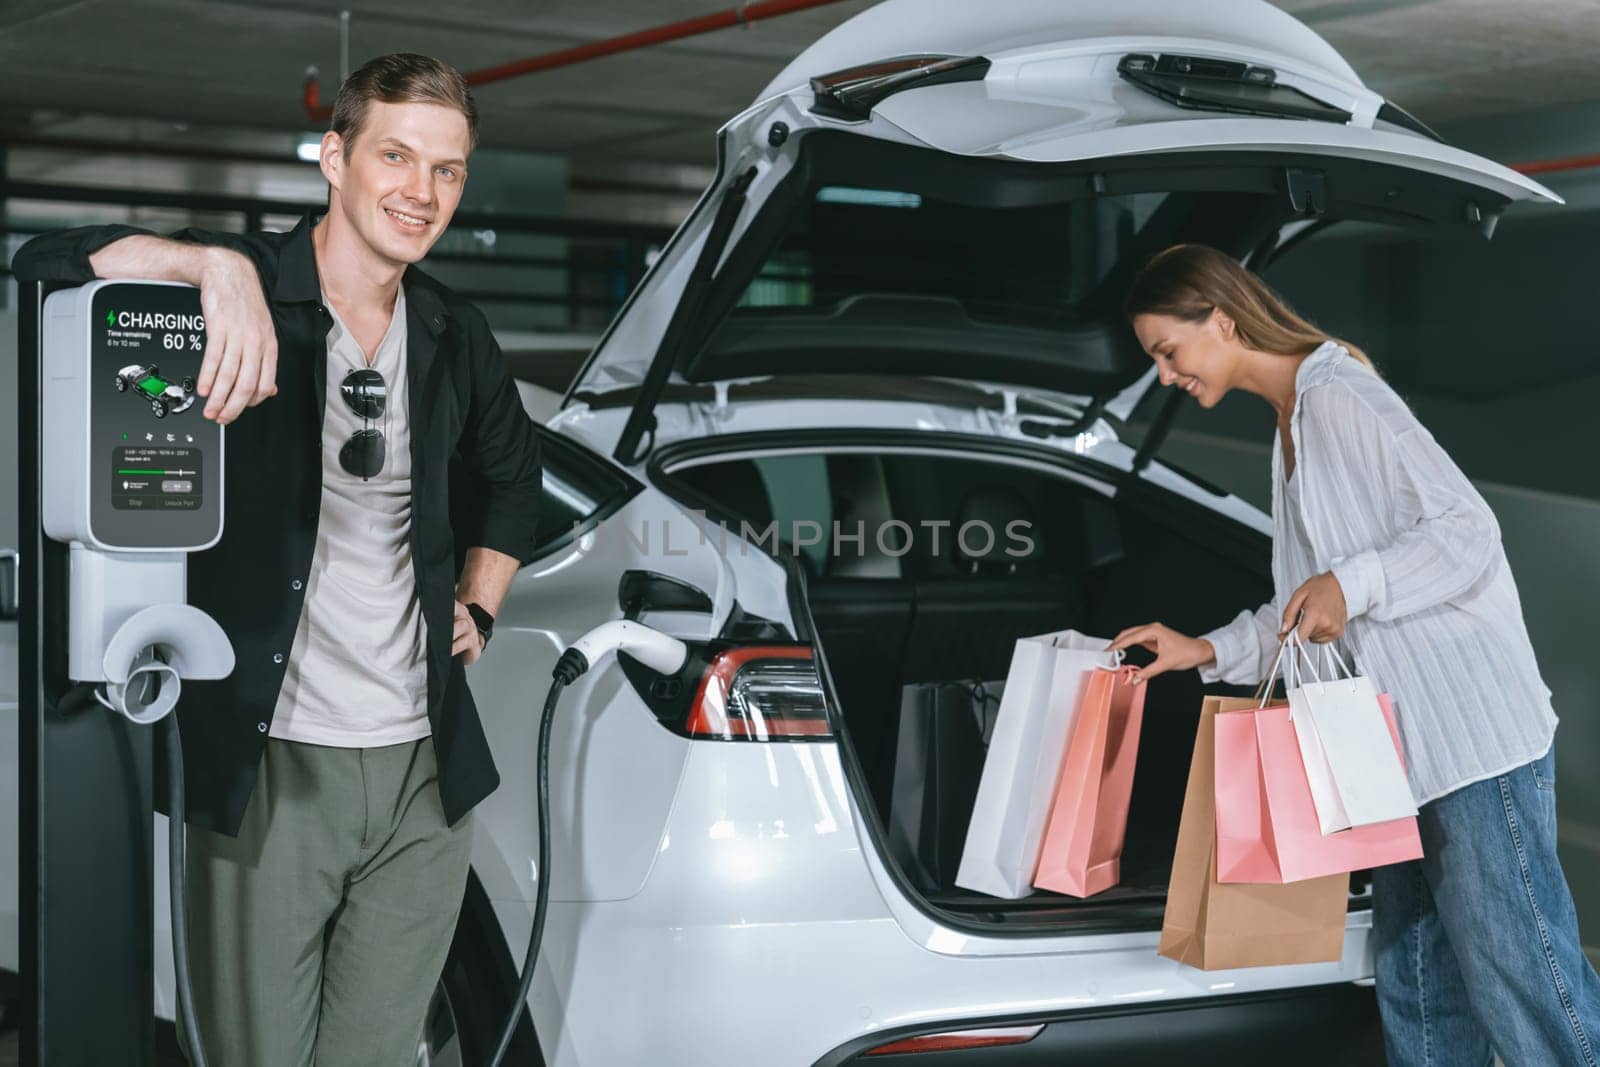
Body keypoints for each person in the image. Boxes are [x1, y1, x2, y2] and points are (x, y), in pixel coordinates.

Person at [12, 53, 542, 1064]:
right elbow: (43, 259)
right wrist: (205, 265)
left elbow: (517, 473)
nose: (420, 191)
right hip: (271, 764)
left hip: (425, 772)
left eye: (447, 169)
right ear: (334, 158)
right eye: (395, 155)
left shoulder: (448, 328)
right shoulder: (240, 288)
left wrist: (482, 596)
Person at [1105, 243, 1599, 1066]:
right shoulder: (1290, 423)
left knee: (1527, 984)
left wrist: (1355, 580)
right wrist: (1202, 648)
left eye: (1167, 350)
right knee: (1418, 992)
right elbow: (1306, 604)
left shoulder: (1339, 396)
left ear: (1221, 320)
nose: (1165, 375)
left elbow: (1467, 532)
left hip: (1471, 746)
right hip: (1391, 764)